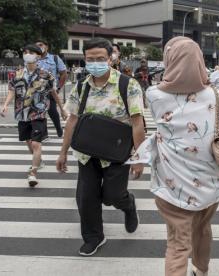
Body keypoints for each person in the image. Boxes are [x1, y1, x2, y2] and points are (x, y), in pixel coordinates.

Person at [130, 37, 219, 276]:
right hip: (210, 183)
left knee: (177, 243)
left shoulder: (153, 95)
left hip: (172, 186)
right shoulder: (216, 96)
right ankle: (201, 271)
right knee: (202, 230)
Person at [56, 38, 146, 256]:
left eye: (100, 59)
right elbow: (72, 121)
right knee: (86, 198)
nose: (95, 63)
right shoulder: (81, 86)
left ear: (110, 58)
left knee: (112, 196)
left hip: (116, 152)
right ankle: (94, 237)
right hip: (87, 152)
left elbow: (137, 123)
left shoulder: (128, 84)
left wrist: (139, 157)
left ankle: (127, 204)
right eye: (90, 59)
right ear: (84, 60)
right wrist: (63, 152)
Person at [0, 44, 66, 187]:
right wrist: (5, 104)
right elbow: (12, 90)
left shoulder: (46, 75)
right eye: (25, 52)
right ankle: (39, 161)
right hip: (22, 114)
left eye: (30, 52)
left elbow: (53, 92)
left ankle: (33, 173)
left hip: (39, 113)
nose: (27, 54)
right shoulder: (17, 74)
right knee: (28, 142)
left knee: (36, 143)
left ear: (37, 56)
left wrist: (62, 109)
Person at [35, 39, 68, 137]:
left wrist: (58, 87)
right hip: (36, 91)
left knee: (52, 110)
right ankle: (44, 132)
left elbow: (64, 73)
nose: (39, 47)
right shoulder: (33, 59)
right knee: (40, 111)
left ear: (46, 47)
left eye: (40, 45)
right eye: (36, 46)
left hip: (50, 89)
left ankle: (58, 128)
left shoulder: (54, 58)